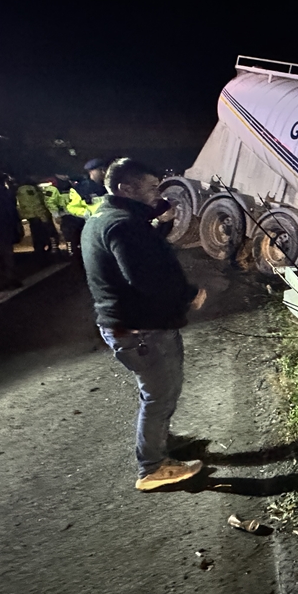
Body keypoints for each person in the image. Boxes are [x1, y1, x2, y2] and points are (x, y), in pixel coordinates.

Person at [81, 158, 207, 491]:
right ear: (126, 189)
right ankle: (152, 466)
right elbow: (148, 280)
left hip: (132, 328)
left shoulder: (105, 217)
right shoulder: (123, 226)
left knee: (155, 392)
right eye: (151, 188)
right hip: (142, 331)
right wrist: (188, 296)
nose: (158, 194)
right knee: (160, 396)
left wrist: (161, 212)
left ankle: (158, 441)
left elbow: (144, 231)